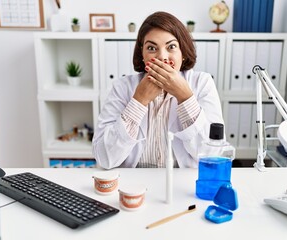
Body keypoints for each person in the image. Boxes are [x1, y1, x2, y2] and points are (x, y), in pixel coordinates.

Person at [92, 11, 224, 169]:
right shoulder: (122, 87)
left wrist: (185, 97)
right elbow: (104, 158)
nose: (162, 57)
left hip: (183, 184)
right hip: (133, 185)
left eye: (171, 47)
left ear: (183, 52)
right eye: (152, 48)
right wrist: (138, 101)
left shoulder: (202, 83)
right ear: (142, 54)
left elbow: (213, 154)